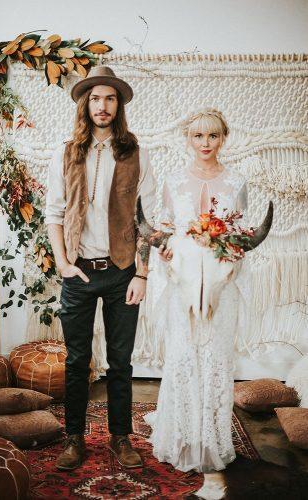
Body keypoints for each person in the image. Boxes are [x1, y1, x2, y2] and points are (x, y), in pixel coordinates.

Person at [45, 65, 155, 471]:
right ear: (85, 104)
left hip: (123, 270)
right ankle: (74, 438)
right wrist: (62, 262)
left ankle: (120, 438)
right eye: (95, 98)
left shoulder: (136, 153)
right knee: (76, 361)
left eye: (110, 98)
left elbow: (147, 220)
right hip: (80, 270)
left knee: (120, 362)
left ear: (118, 105)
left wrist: (142, 274)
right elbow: (53, 212)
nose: (102, 105)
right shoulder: (66, 152)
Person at [143, 109, 248, 499]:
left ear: (224, 138)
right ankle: (182, 435)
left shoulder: (237, 181)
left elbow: (239, 233)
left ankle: (211, 444)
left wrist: (228, 259)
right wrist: (167, 250)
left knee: (215, 359)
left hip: (221, 287)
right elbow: (164, 229)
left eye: (213, 136)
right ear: (188, 139)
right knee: (185, 357)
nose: (205, 143)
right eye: (198, 136)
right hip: (182, 286)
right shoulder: (172, 181)